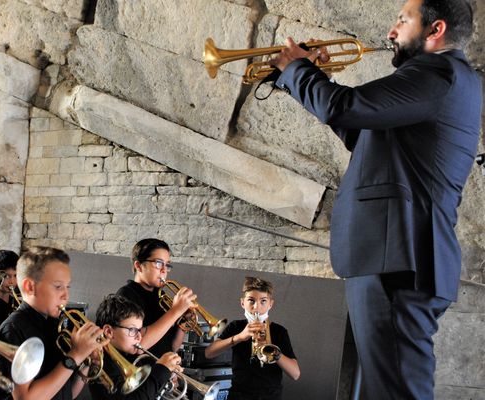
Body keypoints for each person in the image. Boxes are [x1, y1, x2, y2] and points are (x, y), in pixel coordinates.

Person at [268, 0, 481, 398]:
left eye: (403, 20)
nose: (391, 31)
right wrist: (311, 77)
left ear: (434, 30)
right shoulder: (446, 79)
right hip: (397, 256)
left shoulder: (438, 74)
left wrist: (297, 69)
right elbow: (361, 133)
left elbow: (345, 107)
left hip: (399, 258)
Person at [0, 246, 107, 400]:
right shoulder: (13, 329)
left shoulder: (55, 324)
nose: (66, 295)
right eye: (58, 286)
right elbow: (25, 398)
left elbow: (66, 394)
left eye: (68, 286)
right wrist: (75, 355)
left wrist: (85, 360)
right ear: (30, 287)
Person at [205, 277, 299, 400]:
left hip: (271, 396)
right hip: (239, 395)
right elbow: (209, 353)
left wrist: (273, 352)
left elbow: (295, 374)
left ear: (271, 304)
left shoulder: (279, 331)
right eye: (251, 301)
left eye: (263, 301)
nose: (256, 307)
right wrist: (239, 337)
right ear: (242, 303)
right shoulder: (236, 326)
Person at [89, 294, 182, 400]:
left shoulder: (127, 356)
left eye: (139, 330)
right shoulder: (100, 363)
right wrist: (162, 370)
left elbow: (145, 392)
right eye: (133, 330)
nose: (139, 336)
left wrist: (166, 379)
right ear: (109, 332)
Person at [116, 238, 197, 357]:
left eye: (167, 265)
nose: (164, 270)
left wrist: (183, 325)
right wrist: (175, 311)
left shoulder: (161, 296)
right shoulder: (126, 295)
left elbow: (172, 347)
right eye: (158, 263)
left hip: (162, 370)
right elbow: (138, 346)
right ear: (139, 266)